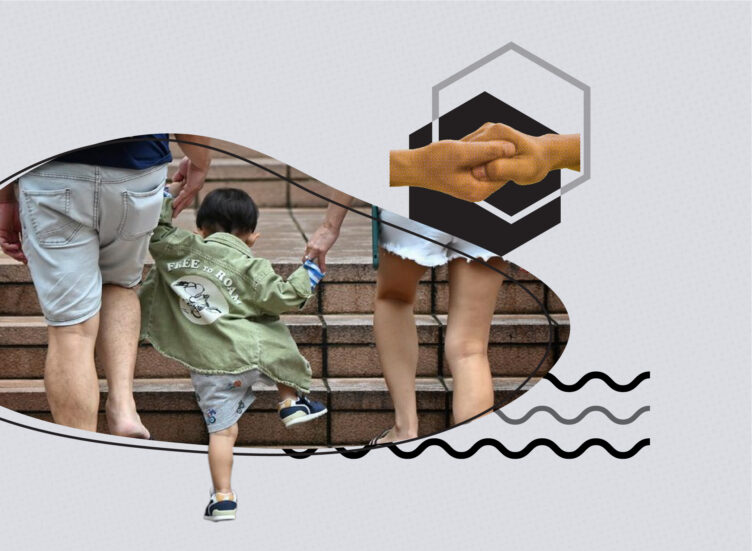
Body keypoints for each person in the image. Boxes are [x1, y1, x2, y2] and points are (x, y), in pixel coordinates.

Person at [304, 124, 580, 444]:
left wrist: (330, 224)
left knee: (395, 298)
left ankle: (405, 430)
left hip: (420, 164)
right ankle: (474, 449)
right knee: (470, 346)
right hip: (502, 173)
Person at [0, 134, 213, 439]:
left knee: (72, 328)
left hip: (52, 174)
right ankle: (123, 408)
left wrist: (3, 197)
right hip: (136, 171)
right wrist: (201, 162)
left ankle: (82, 449)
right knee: (121, 285)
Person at [139, 183, 327, 522]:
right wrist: (308, 273)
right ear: (252, 237)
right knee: (270, 331)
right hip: (251, 356)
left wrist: (165, 197)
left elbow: (157, 232)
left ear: (200, 228)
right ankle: (289, 401)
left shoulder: (182, 247)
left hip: (208, 366)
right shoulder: (251, 267)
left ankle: (223, 497)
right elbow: (282, 297)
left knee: (222, 433)